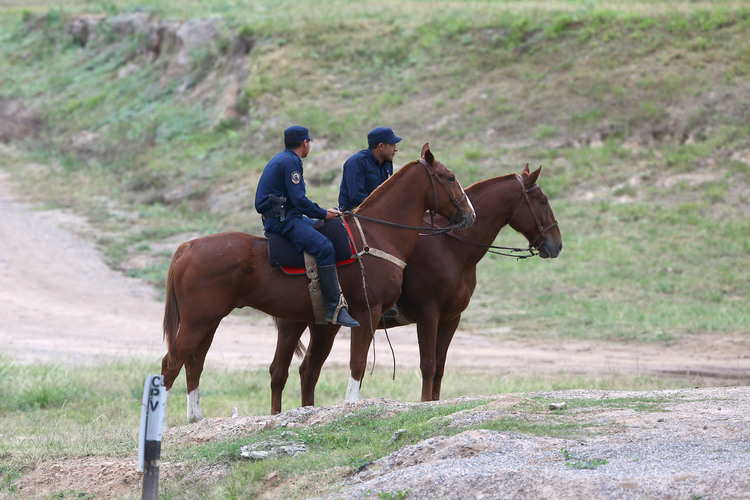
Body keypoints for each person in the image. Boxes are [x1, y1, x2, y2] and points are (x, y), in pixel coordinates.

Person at [255, 125, 359, 327]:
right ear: (305, 143)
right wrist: (324, 213)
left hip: (287, 216)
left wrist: (322, 216)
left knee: (321, 227)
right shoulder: (291, 162)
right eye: (309, 142)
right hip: (283, 221)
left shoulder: (283, 159)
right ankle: (333, 308)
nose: (309, 145)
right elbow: (299, 200)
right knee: (324, 247)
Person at [337, 126, 402, 212]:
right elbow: (357, 197)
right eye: (392, 145)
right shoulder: (356, 162)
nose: (396, 149)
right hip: (354, 212)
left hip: (378, 211)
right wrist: (383, 207)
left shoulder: (387, 163)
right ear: (381, 146)